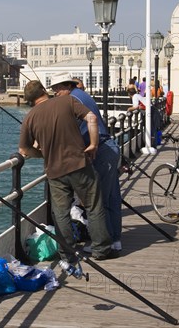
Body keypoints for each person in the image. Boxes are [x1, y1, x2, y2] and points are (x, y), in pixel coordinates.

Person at [18, 80, 118, 264]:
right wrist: (94, 144)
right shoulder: (67, 101)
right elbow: (92, 118)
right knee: (94, 206)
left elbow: (24, 150)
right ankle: (101, 250)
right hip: (80, 165)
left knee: (61, 213)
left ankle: (68, 255)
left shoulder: (29, 117)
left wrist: (41, 154)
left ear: (30, 100)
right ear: (44, 90)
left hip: (55, 172)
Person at [51, 74, 123, 251]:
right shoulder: (83, 95)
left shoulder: (72, 99)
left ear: (66, 86)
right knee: (112, 197)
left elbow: (75, 125)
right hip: (109, 148)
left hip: (100, 151)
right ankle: (115, 240)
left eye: (57, 89)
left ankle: (104, 244)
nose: (55, 93)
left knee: (101, 200)